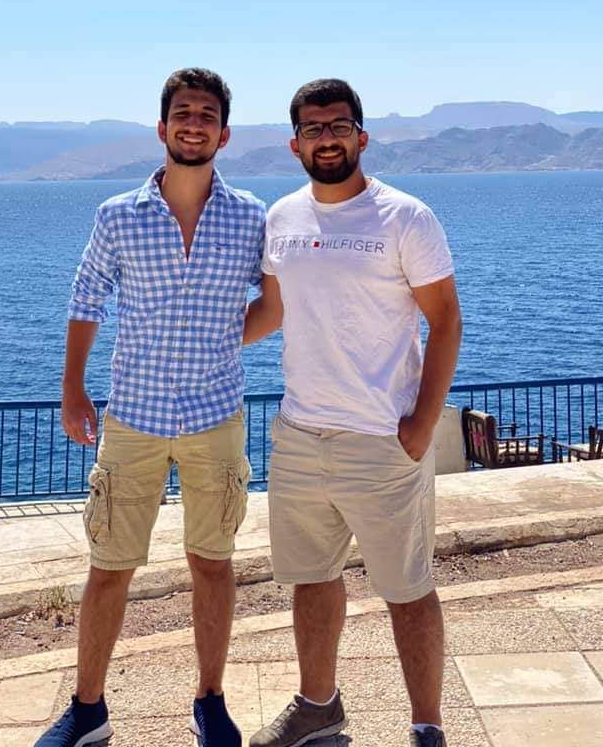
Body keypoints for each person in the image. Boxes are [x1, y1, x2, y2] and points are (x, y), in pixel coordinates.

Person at [34, 68, 265, 747]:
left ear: (224, 134)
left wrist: (219, 337)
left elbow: (277, 303)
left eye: (207, 115)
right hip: (132, 417)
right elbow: (86, 297)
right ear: (163, 128)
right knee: (109, 567)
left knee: (213, 564)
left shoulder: (251, 217)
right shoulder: (117, 215)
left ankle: (210, 701)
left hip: (215, 417)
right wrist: (72, 387)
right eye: (183, 113)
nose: (194, 124)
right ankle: (87, 709)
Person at [244, 79, 462, 747]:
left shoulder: (406, 218)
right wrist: (194, 338)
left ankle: (426, 725)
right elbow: (272, 311)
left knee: (408, 589)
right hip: (300, 434)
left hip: (382, 439)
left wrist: (422, 424)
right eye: (313, 129)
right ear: (295, 145)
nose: (327, 139)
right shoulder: (282, 219)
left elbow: (446, 320)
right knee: (311, 581)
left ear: (361, 136)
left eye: (338, 126)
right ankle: (319, 707)